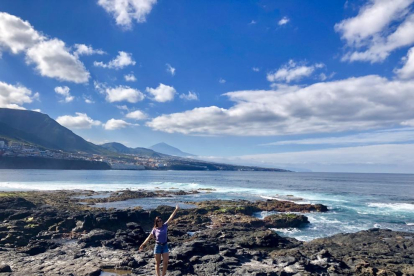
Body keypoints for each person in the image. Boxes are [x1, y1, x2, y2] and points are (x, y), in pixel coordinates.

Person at [140, 204, 179, 276]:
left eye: (160, 220)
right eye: (158, 221)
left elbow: (171, 217)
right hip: (157, 246)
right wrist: (143, 244)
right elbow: (149, 237)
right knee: (157, 263)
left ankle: (163, 275)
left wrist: (176, 209)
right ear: (156, 222)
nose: (160, 222)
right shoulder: (154, 229)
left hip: (165, 246)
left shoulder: (165, 226)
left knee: (165, 262)